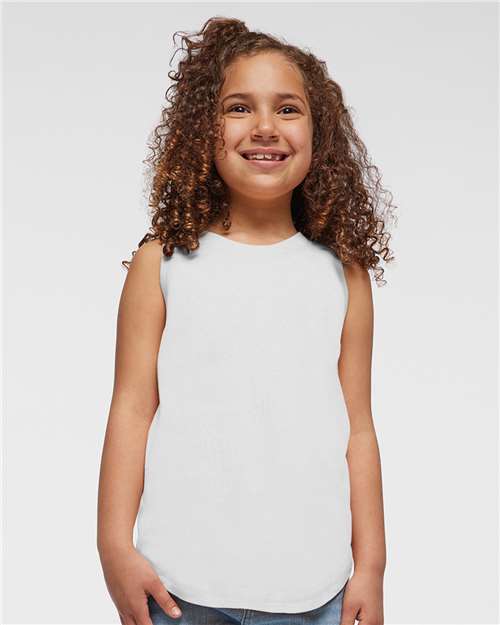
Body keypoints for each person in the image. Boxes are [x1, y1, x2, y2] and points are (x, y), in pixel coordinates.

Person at [97, 16, 395, 625]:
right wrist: (113, 547)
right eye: (239, 107)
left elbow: (358, 429)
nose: (264, 126)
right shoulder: (163, 263)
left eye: (287, 109)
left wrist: (371, 567)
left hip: (314, 593)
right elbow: (131, 408)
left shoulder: (344, 275)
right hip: (178, 590)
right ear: (202, 130)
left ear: (319, 134)